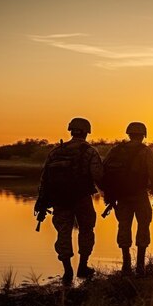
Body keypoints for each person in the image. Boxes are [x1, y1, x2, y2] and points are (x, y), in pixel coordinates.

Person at [34, 117, 103, 284]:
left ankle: (67, 271)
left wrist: (42, 201)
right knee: (86, 230)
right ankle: (83, 266)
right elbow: (99, 176)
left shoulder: (56, 152)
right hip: (82, 198)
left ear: (71, 130)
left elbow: (44, 179)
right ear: (87, 132)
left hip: (60, 200)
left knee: (63, 233)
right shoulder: (90, 151)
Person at [102, 122, 153, 276]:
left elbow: (103, 170)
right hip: (140, 195)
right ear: (143, 135)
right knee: (143, 225)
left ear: (129, 134)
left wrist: (110, 193)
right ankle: (140, 265)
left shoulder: (116, 150)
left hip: (121, 197)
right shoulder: (145, 151)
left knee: (123, 226)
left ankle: (126, 263)